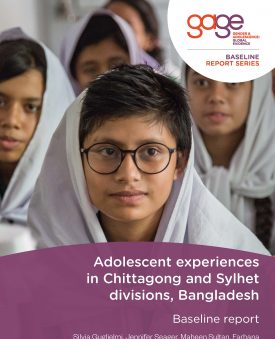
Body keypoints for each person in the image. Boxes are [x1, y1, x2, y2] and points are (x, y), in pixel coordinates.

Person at [28, 64, 268, 254]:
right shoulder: (35, 261)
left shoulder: (235, 265)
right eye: (108, 151)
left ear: (180, 163)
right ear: (75, 159)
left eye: (150, 152)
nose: (128, 174)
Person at [183, 64, 275, 253]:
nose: (216, 96)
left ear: (259, 89)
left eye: (233, 82)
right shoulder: (165, 168)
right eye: (201, 82)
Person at [0, 27, 74, 250]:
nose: (12, 120)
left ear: (52, 115)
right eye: (0, 102)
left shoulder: (74, 206)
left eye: (31, 107)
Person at [60, 9, 159, 95]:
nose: (104, 77)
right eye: (91, 70)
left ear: (134, 62)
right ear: (73, 76)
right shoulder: (63, 115)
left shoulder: (158, 113)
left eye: (117, 65)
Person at [104, 0, 181, 79]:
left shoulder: (175, 83)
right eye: (108, 25)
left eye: (127, 27)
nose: (112, 37)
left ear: (150, 40)